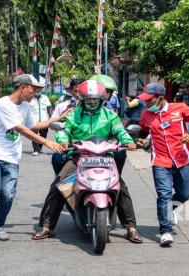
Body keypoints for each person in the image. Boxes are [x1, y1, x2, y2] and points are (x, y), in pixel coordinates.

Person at [33, 80, 143, 244]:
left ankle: (130, 228)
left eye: (95, 99)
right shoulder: (73, 114)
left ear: (101, 99)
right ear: (81, 99)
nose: (91, 102)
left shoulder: (110, 115)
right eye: (88, 99)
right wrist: (63, 140)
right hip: (79, 157)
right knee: (60, 185)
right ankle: (47, 226)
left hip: (104, 158)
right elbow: (64, 130)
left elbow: (120, 130)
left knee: (120, 186)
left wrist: (128, 141)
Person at [0, 74, 65, 244]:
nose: (34, 93)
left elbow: (32, 126)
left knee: (8, 194)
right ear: (22, 87)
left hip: (11, 157)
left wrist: (53, 120)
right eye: (33, 90)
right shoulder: (3, 104)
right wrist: (47, 142)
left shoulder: (26, 107)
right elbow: (21, 129)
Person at [136, 83, 189, 247]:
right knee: (164, 195)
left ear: (160, 99)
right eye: (145, 100)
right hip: (160, 160)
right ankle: (165, 230)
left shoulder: (180, 108)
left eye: (149, 100)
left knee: (184, 194)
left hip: (182, 158)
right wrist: (141, 139)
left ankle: (169, 210)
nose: (146, 104)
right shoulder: (146, 115)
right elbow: (143, 131)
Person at [29, 91, 53, 156]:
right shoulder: (30, 98)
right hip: (34, 121)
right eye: (36, 89)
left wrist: (52, 118)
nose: (38, 90)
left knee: (44, 134)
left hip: (44, 120)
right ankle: (35, 149)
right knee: (34, 135)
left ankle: (40, 147)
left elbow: (49, 108)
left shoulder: (45, 98)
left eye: (39, 89)